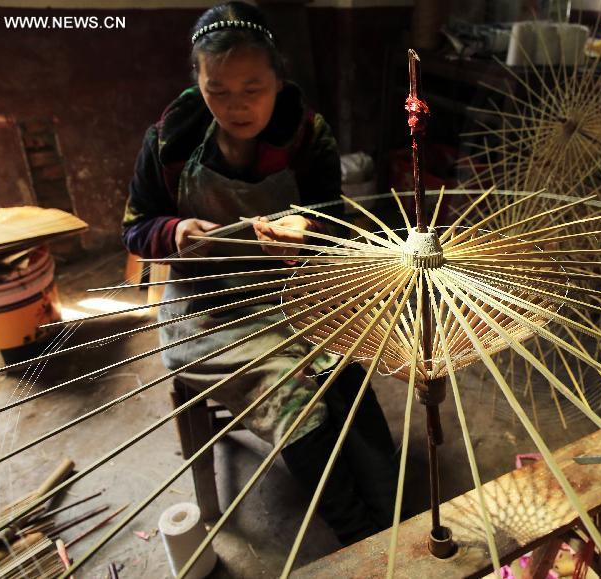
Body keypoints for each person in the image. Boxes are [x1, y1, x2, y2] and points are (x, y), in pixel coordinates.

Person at [122, 1, 398, 545]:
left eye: (253, 88)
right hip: (206, 309)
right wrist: (177, 233)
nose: (237, 105)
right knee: (290, 392)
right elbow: (135, 229)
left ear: (278, 77)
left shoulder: (305, 134)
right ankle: (358, 529)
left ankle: (389, 501)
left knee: (345, 365)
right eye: (217, 89)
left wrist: (309, 228)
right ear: (196, 82)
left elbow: (335, 223)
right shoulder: (170, 142)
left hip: (287, 291)